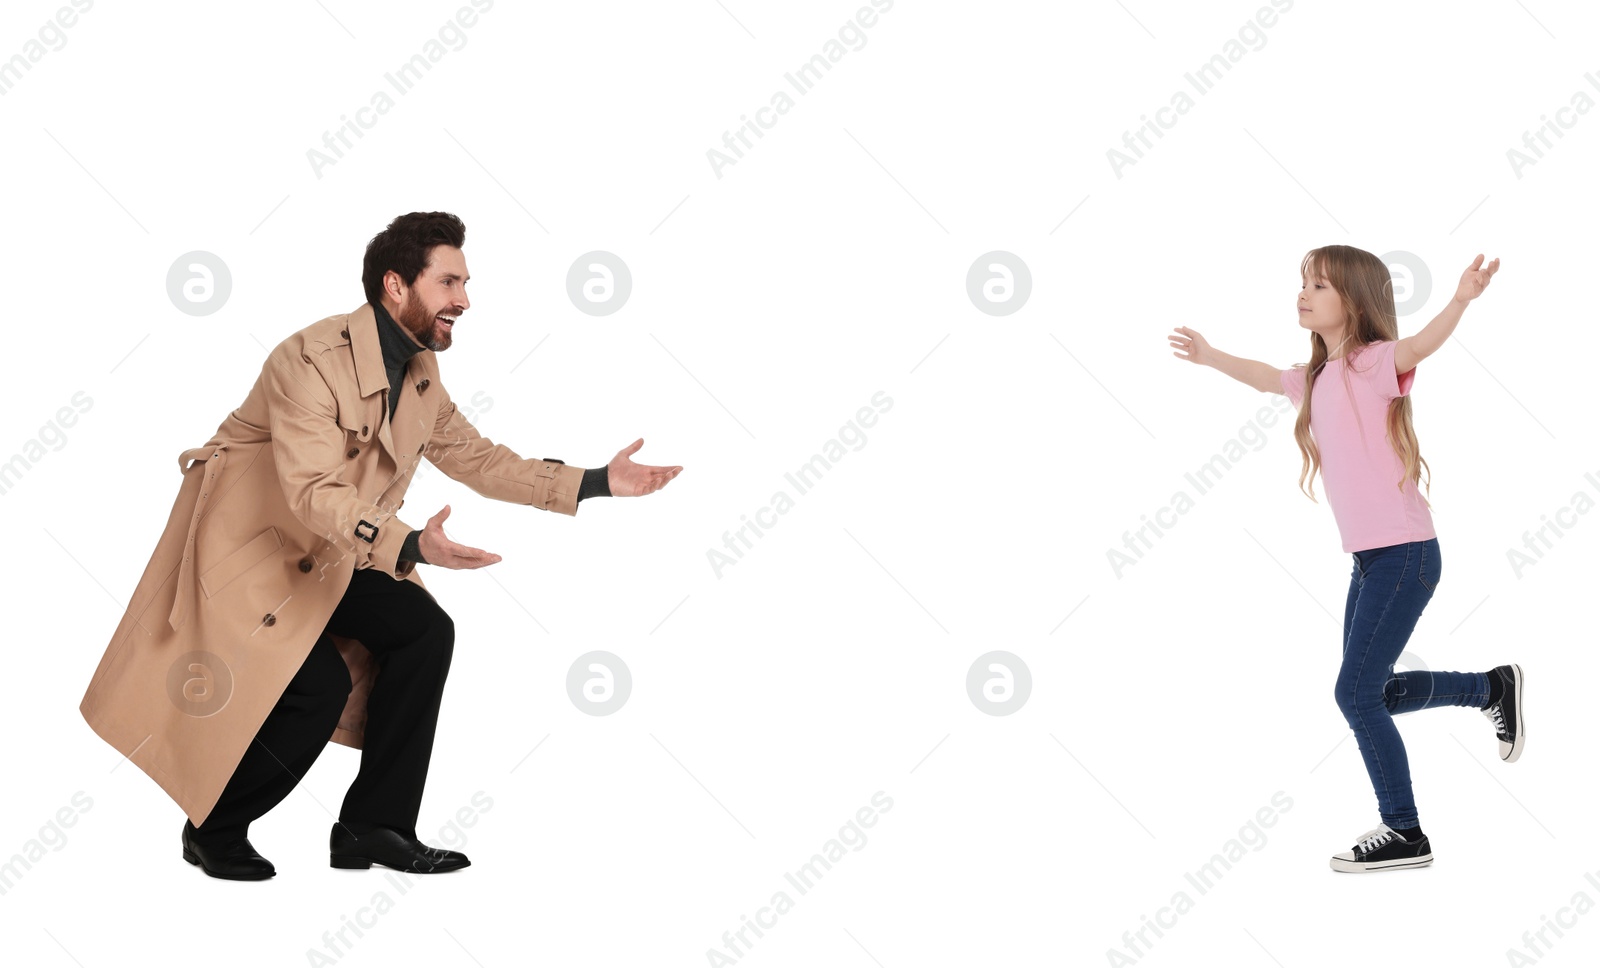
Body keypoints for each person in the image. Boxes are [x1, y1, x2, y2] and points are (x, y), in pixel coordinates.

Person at [80, 211, 682, 880]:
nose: (464, 300)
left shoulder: (421, 374)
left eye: (465, 282)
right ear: (396, 285)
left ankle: (375, 826)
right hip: (251, 555)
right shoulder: (307, 359)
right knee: (317, 686)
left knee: (422, 630)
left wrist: (597, 482)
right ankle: (213, 829)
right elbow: (312, 490)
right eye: (449, 281)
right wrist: (411, 545)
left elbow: (478, 458)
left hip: (331, 552)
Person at [1168, 244, 1516, 873]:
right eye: (1303, 282)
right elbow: (1262, 375)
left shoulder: (1372, 363)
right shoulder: (1316, 378)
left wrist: (1460, 299)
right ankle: (1490, 687)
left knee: (1354, 694)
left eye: (1321, 285)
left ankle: (1405, 830)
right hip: (1370, 561)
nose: (1304, 293)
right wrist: (1211, 354)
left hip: (1406, 555)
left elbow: (1421, 345)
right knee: (1368, 691)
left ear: (1354, 301)